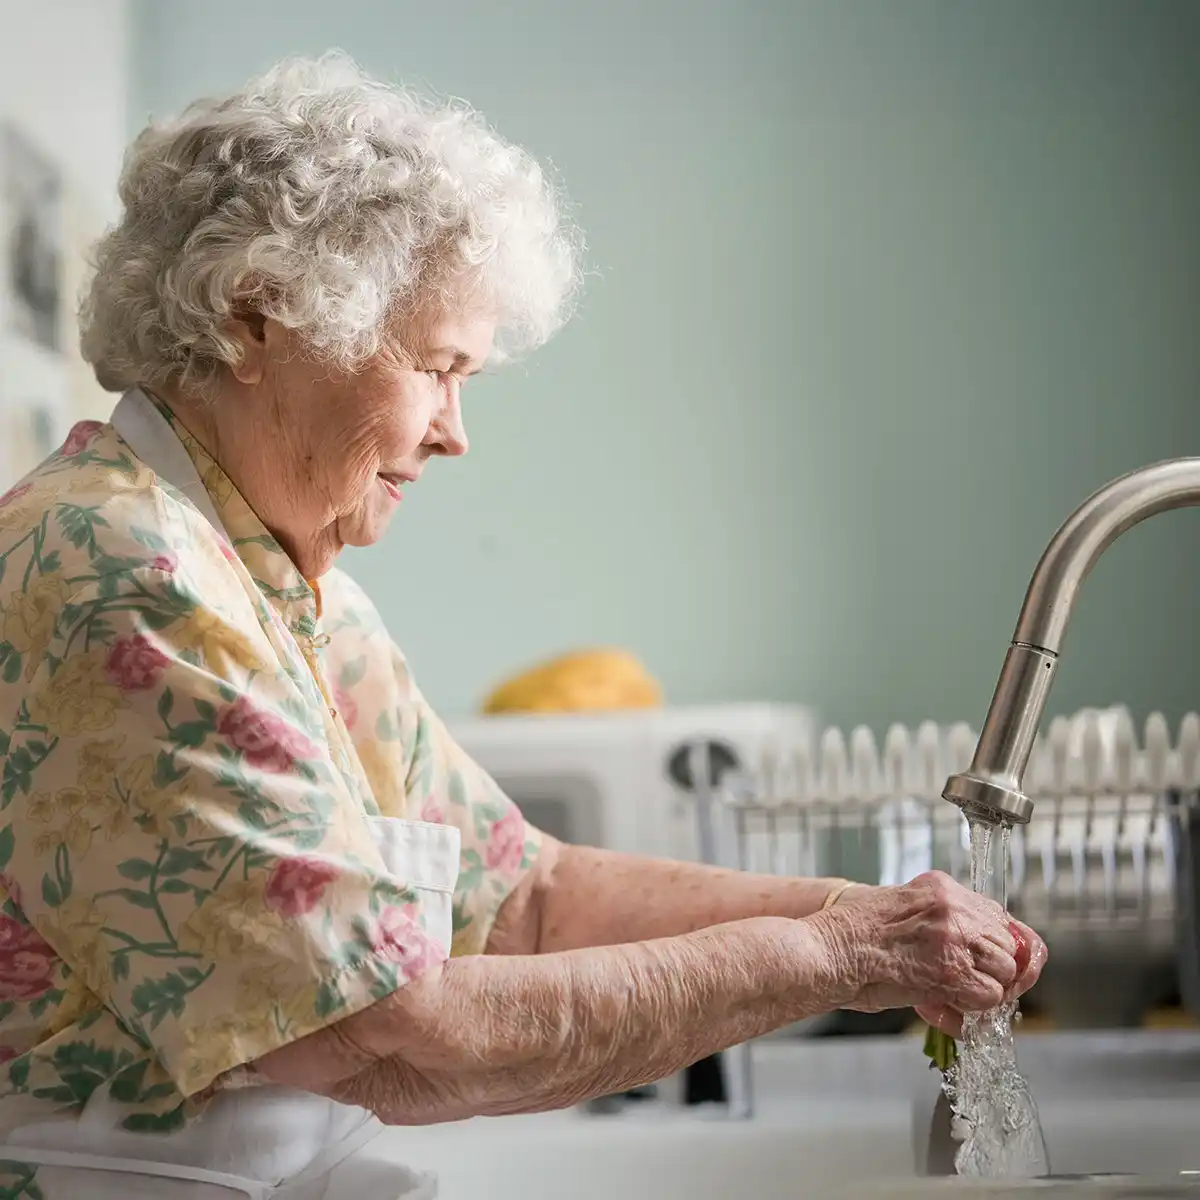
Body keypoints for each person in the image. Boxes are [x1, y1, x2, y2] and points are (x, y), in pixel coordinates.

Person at [0, 54, 1046, 1199]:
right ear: (255, 320)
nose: (456, 432)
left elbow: (522, 900)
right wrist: (836, 954)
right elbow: (393, 1036)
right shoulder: (123, 572)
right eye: (435, 368)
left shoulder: (284, 586)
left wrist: (871, 920)